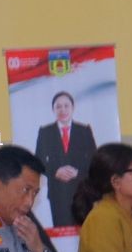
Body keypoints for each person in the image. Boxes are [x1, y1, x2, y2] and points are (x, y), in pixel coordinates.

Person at [33, 90, 98, 227]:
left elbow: (95, 160)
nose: (62, 110)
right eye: (58, 107)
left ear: (72, 108)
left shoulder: (84, 130)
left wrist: (78, 173)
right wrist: (55, 171)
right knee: (61, 233)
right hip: (57, 192)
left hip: (82, 192)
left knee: (85, 231)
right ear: (53, 110)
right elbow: (38, 160)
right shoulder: (45, 132)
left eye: (66, 106)